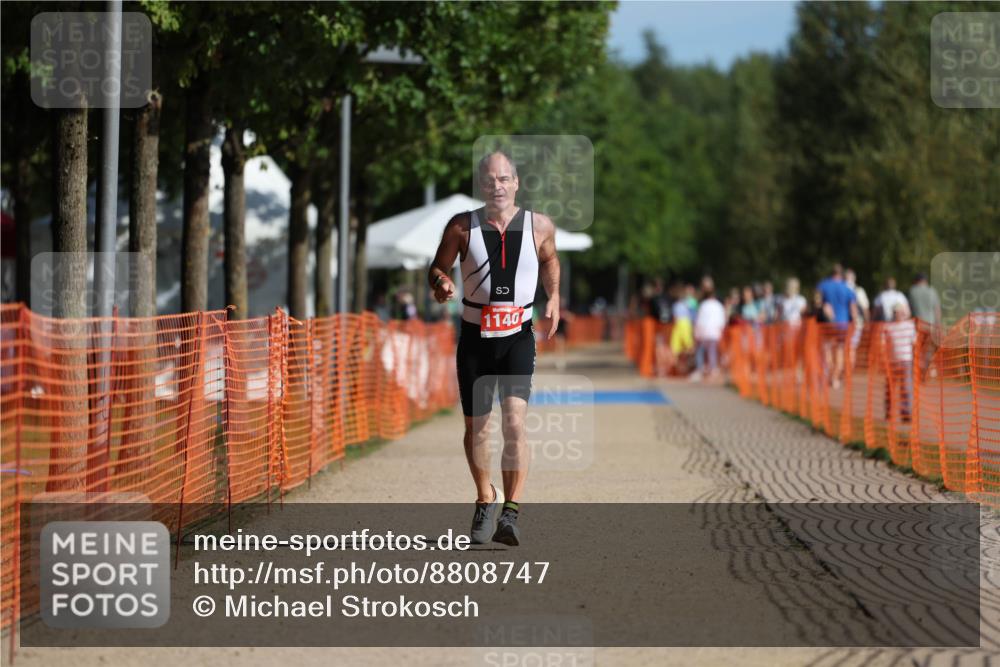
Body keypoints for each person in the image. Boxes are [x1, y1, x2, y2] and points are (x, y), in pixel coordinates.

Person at [428, 150, 560, 547]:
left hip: (518, 336)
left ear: (516, 183)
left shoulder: (539, 226)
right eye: (489, 180)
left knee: (515, 424)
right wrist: (441, 284)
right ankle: (485, 498)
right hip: (474, 339)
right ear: (480, 186)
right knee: (477, 428)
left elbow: (551, 261)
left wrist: (553, 298)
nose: (497, 186)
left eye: (504, 179)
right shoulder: (461, 227)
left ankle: (511, 513)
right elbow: (437, 268)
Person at [817, 264, 859, 389]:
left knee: (827, 350)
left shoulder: (823, 285)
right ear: (841, 274)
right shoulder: (848, 288)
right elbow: (853, 309)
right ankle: (835, 378)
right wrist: (855, 323)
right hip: (843, 325)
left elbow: (818, 303)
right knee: (840, 351)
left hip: (827, 324)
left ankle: (829, 374)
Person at [883, 302, 916, 423]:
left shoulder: (910, 326)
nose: (898, 314)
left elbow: (914, 343)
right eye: (896, 312)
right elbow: (883, 344)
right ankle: (889, 412)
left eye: (900, 312)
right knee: (890, 388)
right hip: (892, 361)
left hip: (906, 360)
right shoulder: (888, 327)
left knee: (906, 388)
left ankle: (906, 413)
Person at [690, 282, 726, 382]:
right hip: (714, 332)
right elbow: (722, 320)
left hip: (704, 333)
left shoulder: (704, 305)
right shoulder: (719, 306)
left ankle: (700, 369)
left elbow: (699, 320)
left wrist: (697, 331)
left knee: (700, 351)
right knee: (712, 351)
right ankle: (712, 369)